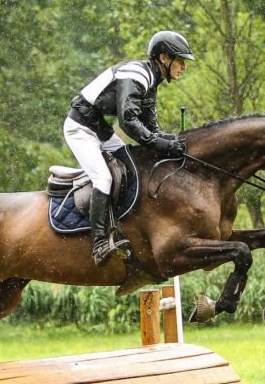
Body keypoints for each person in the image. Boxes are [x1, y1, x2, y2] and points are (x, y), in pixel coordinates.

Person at [64, 30, 194, 265]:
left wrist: (175, 143)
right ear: (164, 58)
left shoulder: (151, 80)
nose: (184, 67)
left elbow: (151, 128)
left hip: (99, 131)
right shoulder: (136, 75)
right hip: (80, 129)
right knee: (103, 178)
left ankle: (125, 227)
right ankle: (100, 244)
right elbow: (129, 121)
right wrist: (162, 144)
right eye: (181, 60)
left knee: (133, 164)